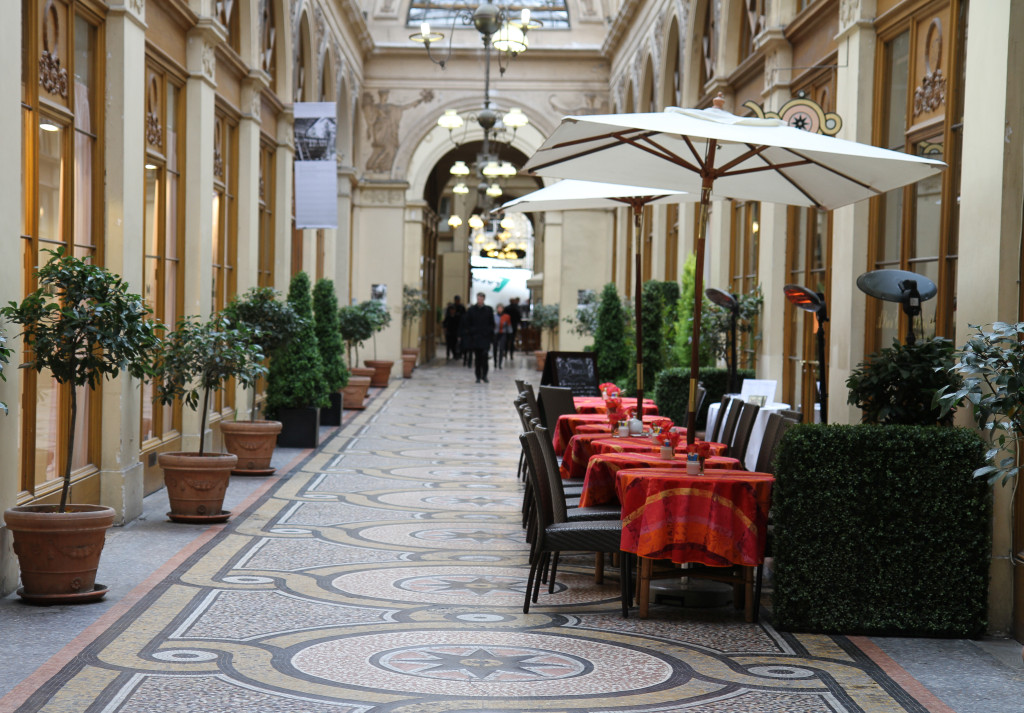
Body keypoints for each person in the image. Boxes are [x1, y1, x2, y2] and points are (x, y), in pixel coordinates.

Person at [463, 292, 494, 383]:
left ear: (483, 299)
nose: (479, 300)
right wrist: (472, 332)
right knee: (477, 358)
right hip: (475, 338)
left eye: (481, 299)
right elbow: (467, 322)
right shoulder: (472, 310)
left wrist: (488, 333)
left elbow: (491, 323)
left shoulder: (488, 310)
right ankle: (477, 376)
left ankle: (484, 375)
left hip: (485, 338)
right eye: (478, 299)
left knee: (485, 357)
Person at [442, 295, 465, 361]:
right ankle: (452, 353)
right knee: (450, 343)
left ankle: (457, 354)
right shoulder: (449, 314)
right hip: (450, 331)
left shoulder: (461, 308)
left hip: (457, 330)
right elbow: (445, 321)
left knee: (456, 343)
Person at [493, 304, 512, 369]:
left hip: (503, 333)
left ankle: (500, 364)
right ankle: (495, 362)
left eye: (501, 308)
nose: (499, 309)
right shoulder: (494, 316)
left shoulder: (506, 316)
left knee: (501, 348)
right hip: (496, 333)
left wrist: (510, 334)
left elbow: (509, 326)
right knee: (495, 348)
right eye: (498, 308)